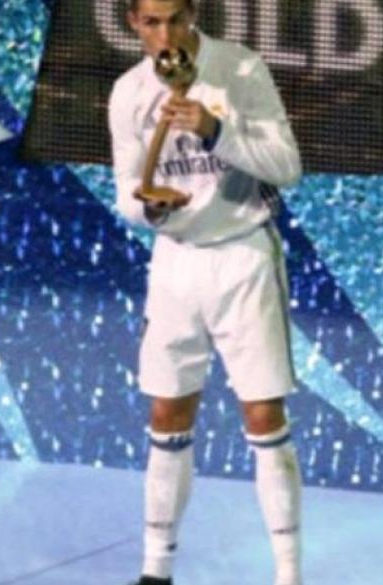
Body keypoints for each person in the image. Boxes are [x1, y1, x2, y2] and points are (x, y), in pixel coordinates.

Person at [108, 0, 304, 583]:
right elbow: (126, 190)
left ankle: (288, 574)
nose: (166, 33)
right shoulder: (128, 92)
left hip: (244, 254)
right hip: (176, 260)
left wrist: (215, 130)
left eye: (175, 18)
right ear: (133, 24)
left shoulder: (240, 69)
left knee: (263, 414)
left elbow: (286, 165)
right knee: (167, 411)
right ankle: (156, 571)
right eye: (151, 22)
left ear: (193, 14)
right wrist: (148, 208)